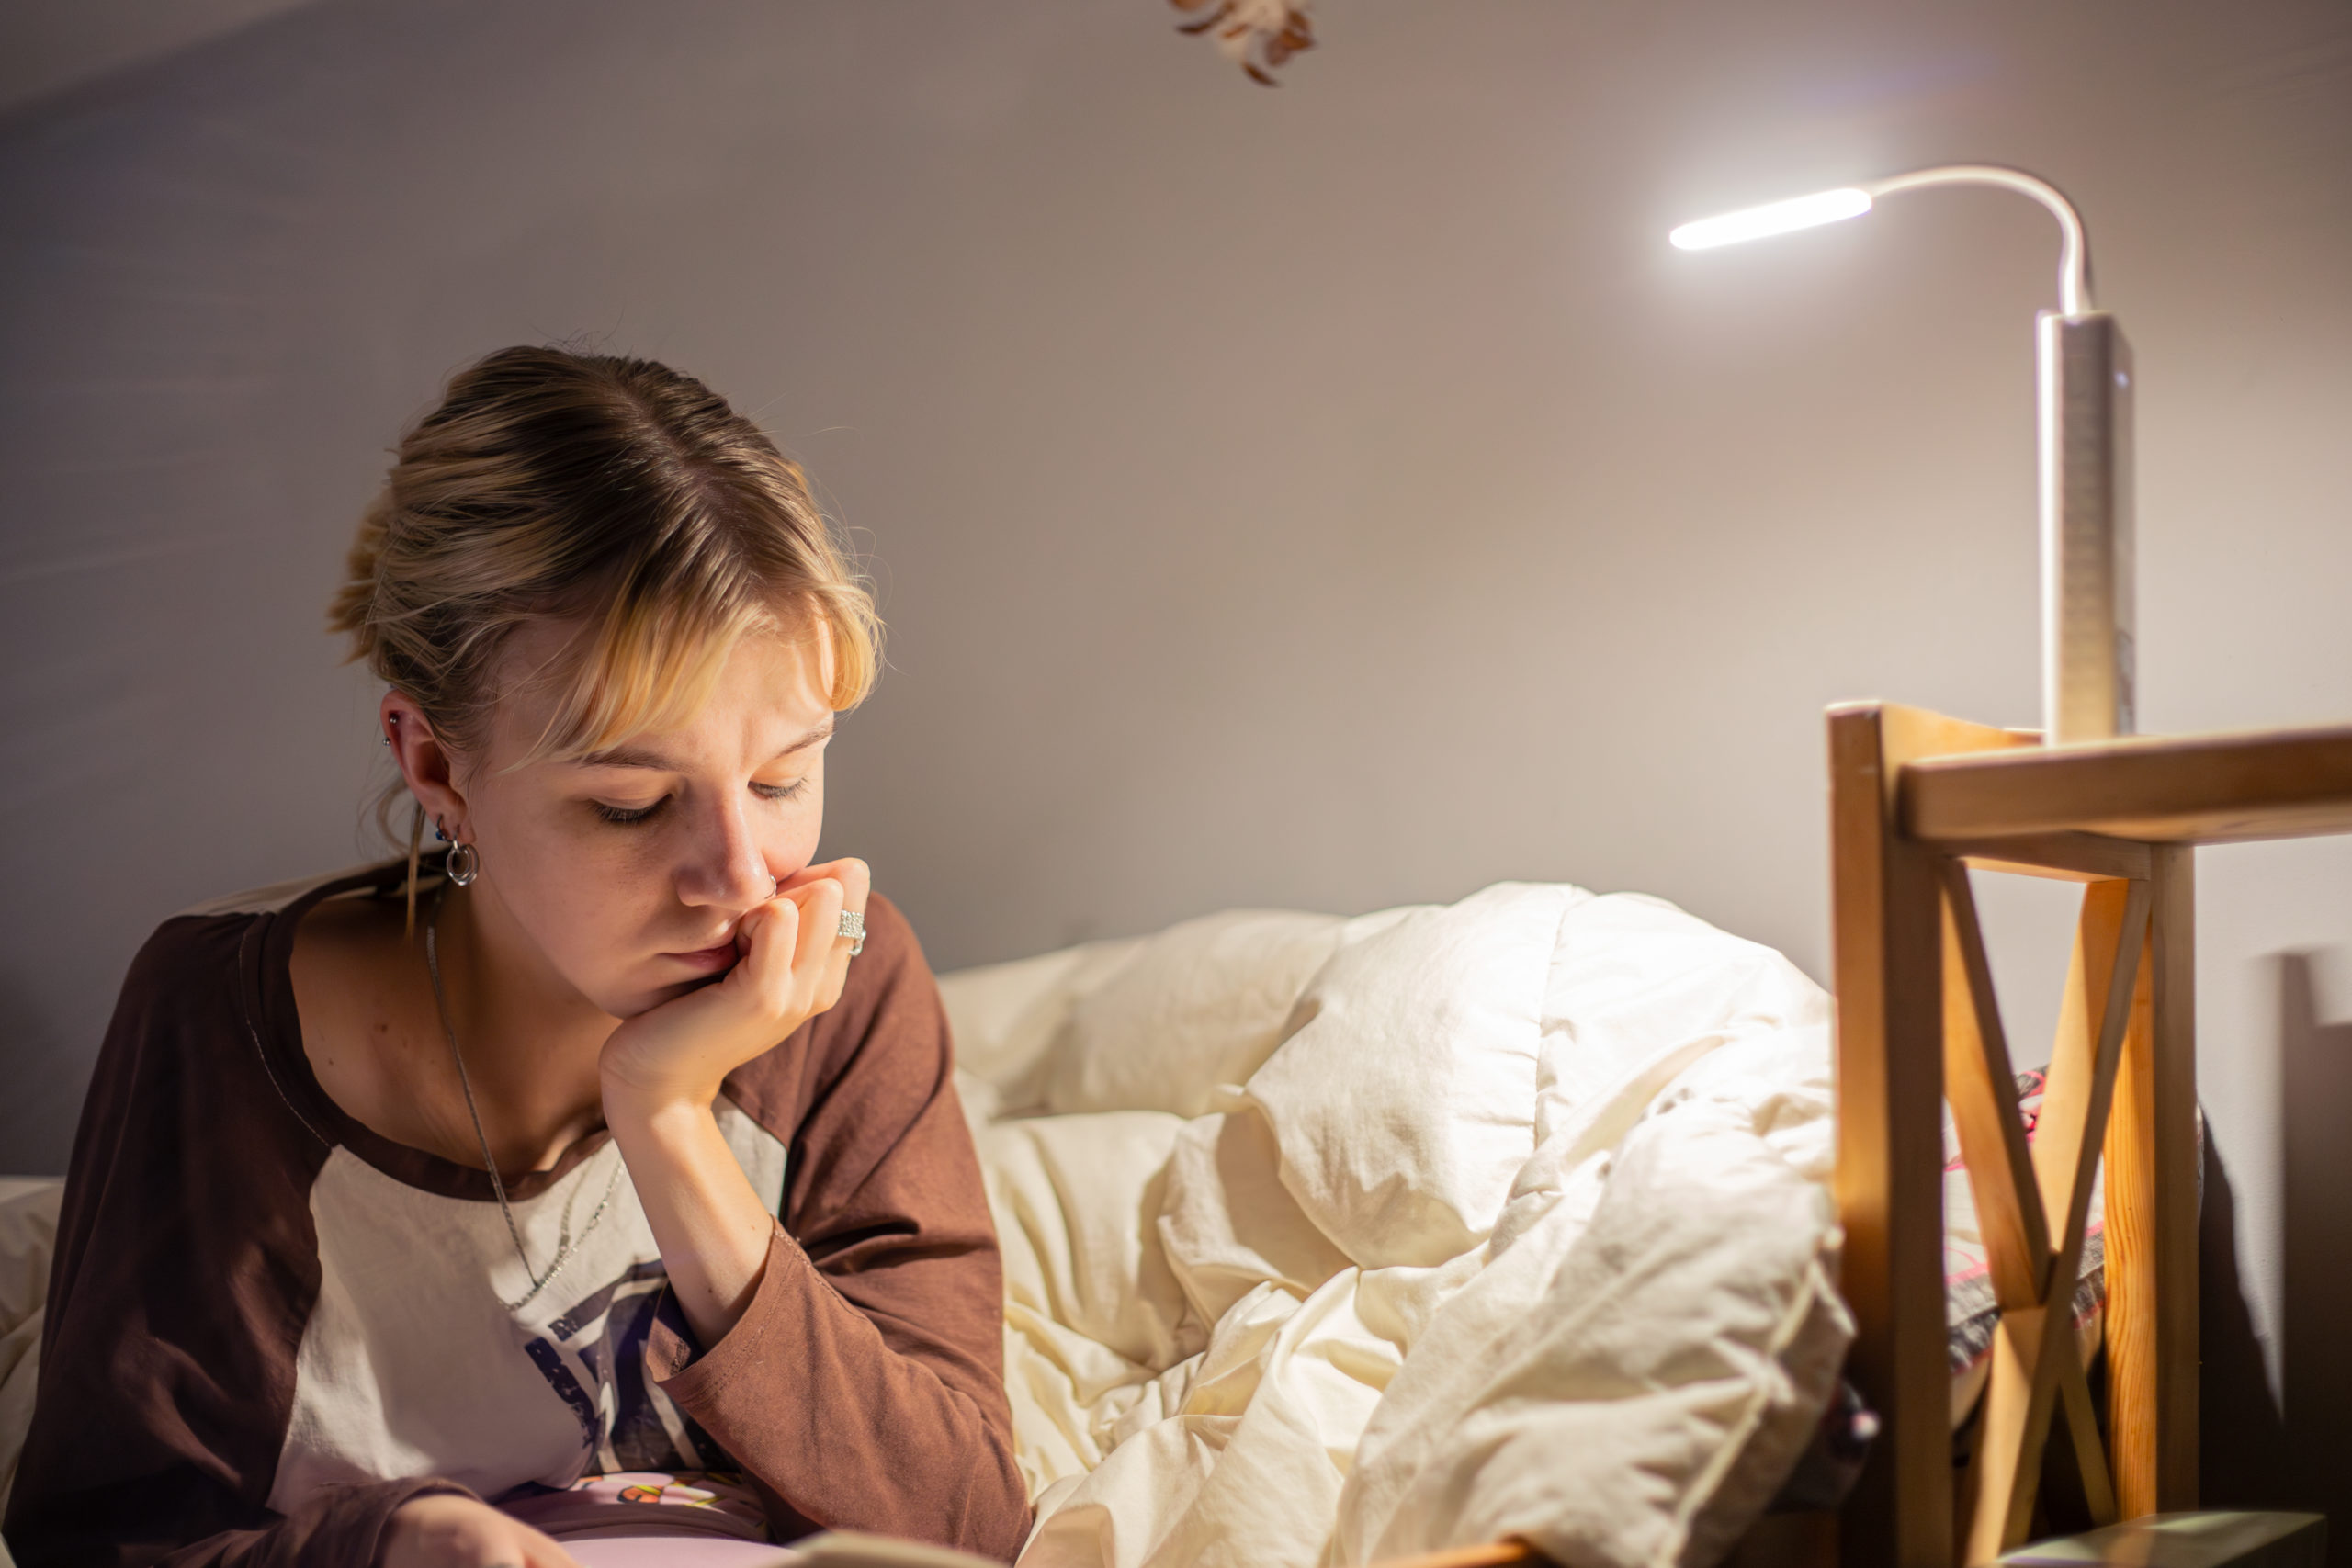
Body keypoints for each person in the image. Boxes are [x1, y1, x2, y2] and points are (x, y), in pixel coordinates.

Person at [3, 348, 1030, 1567]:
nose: (743, 879)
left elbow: (966, 1524)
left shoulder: (840, 979)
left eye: (782, 776)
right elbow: (102, 1543)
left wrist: (664, 1113)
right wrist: (389, 1548)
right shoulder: (219, 1020)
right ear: (437, 768)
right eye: (631, 806)